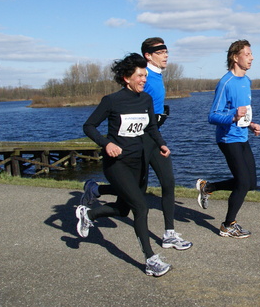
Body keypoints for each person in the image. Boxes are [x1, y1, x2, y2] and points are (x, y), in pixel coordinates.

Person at [81, 38, 192, 251]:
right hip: (139, 142)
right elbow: (126, 102)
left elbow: (149, 115)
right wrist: (109, 142)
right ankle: (98, 192)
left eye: (167, 50)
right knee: (137, 198)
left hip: (153, 137)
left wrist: (160, 135)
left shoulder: (157, 76)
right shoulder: (145, 76)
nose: (166, 55)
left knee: (167, 183)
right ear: (148, 56)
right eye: (160, 51)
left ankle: (169, 234)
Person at [76, 53, 171, 277]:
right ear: (127, 78)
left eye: (145, 76)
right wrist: (106, 143)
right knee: (141, 207)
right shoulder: (112, 101)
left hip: (138, 162)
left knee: (123, 208)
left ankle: (88, 215)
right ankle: (150, 260)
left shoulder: (145, 100)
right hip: (116, 163)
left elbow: (150, 129)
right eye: (139, 76)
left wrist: (162, 145)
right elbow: (89, 126)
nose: (143, 80)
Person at [196, 39, 260, 238]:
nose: (252, 58)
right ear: (235, 57)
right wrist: (233, 115)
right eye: (247, 54)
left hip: (241, 136)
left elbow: (243, 113)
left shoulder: (246, 81)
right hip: (227, 138)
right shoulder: (226, 83)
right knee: (242, 182)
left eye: (251, 54)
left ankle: (209, 187)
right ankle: (227, 225)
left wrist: (250, 124)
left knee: (251, 183)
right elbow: (212, 116)